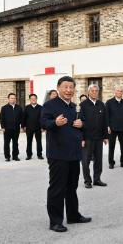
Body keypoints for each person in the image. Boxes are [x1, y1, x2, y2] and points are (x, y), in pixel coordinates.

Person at [41, 76, 90, 233]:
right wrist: (55, 123)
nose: (69, 90)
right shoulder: (50, 105)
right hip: (58, 154)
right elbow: (42, 123)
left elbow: (84, 124)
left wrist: (82, 124)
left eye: (71, 87)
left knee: (72, 187)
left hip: (74, 153)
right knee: (57, 188)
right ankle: (55, 221)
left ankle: (73, 215)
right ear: (58, 88)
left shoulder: (76, 107)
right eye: (65, 87)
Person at [79, 84, 108, 189]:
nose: (95, 92)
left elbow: (105, 121)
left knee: (98, 160)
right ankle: (87, 181)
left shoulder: (101, 104)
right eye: (93, 90)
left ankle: (97, 179)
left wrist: (105, 136)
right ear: (88, 92)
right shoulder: (83, 105)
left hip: (99, 138)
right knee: (85, 161)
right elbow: (80, 122)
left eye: (96, 90)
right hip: (87, 138)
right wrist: (81, 138)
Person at [105, 86, 123, 169]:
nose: (119, 92)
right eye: (118, 91)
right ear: (114, 92)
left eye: (121, 91)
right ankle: (111, 163)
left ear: (122, 93)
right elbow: (106, 115)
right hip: (112, 128)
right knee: (111, 146)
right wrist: (107, 126)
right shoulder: (109, 102)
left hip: (122, 128)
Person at [0, 93, 23, 162]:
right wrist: (3, 127)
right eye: (11, 98)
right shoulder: (4, 108)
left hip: (16, 128)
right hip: (7, 129)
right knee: (7, 143)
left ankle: (15, 156)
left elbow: (22, 118)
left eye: (14, 98)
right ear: (8, 99)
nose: (13, 99)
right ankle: (7, 156)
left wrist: (22, 126)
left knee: (15, 143)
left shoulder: (19, 108)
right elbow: (2, 118)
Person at [22, 93, 44, 160]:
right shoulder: (27, 107)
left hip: (38, 128)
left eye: (35, 98)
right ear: (30, 100)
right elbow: (24, 117)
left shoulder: (41, 107)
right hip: (29, 128)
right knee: (29, 142)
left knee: (39, 142)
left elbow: (43, 118)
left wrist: (43, 127)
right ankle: (29, 155)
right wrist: (23, 126)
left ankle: (39, 155)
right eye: (32, 99)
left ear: (36, 99)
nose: (33, 100)